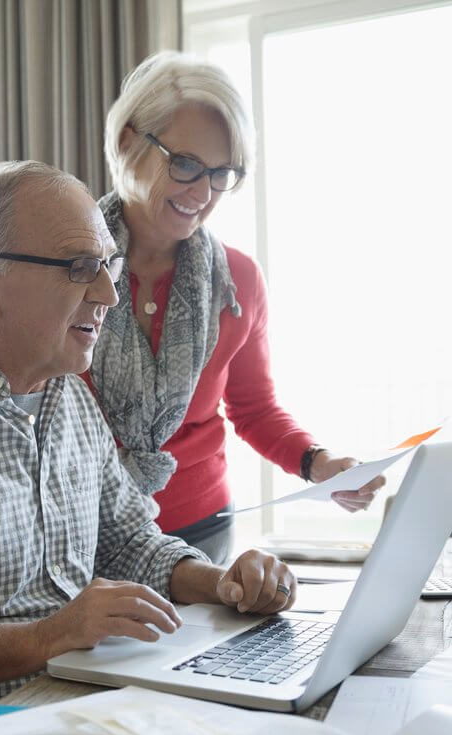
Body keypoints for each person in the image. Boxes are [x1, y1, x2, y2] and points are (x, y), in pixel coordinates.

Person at [0, 161, 297, 735]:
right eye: (79, 268)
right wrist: (50, 636)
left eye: (107, 264)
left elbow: (131, 542)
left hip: (87, 709)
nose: (109, 293)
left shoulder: (69, 398)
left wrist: (221, 584)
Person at [88, 51, 385, 563]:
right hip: (79, 531)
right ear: (126, 141)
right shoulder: (66, 267)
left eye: (221, 172)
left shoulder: (238, 281)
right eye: (185, 164)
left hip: (203, 532)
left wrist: (318, 463)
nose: (203, 193)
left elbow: (253, 409)